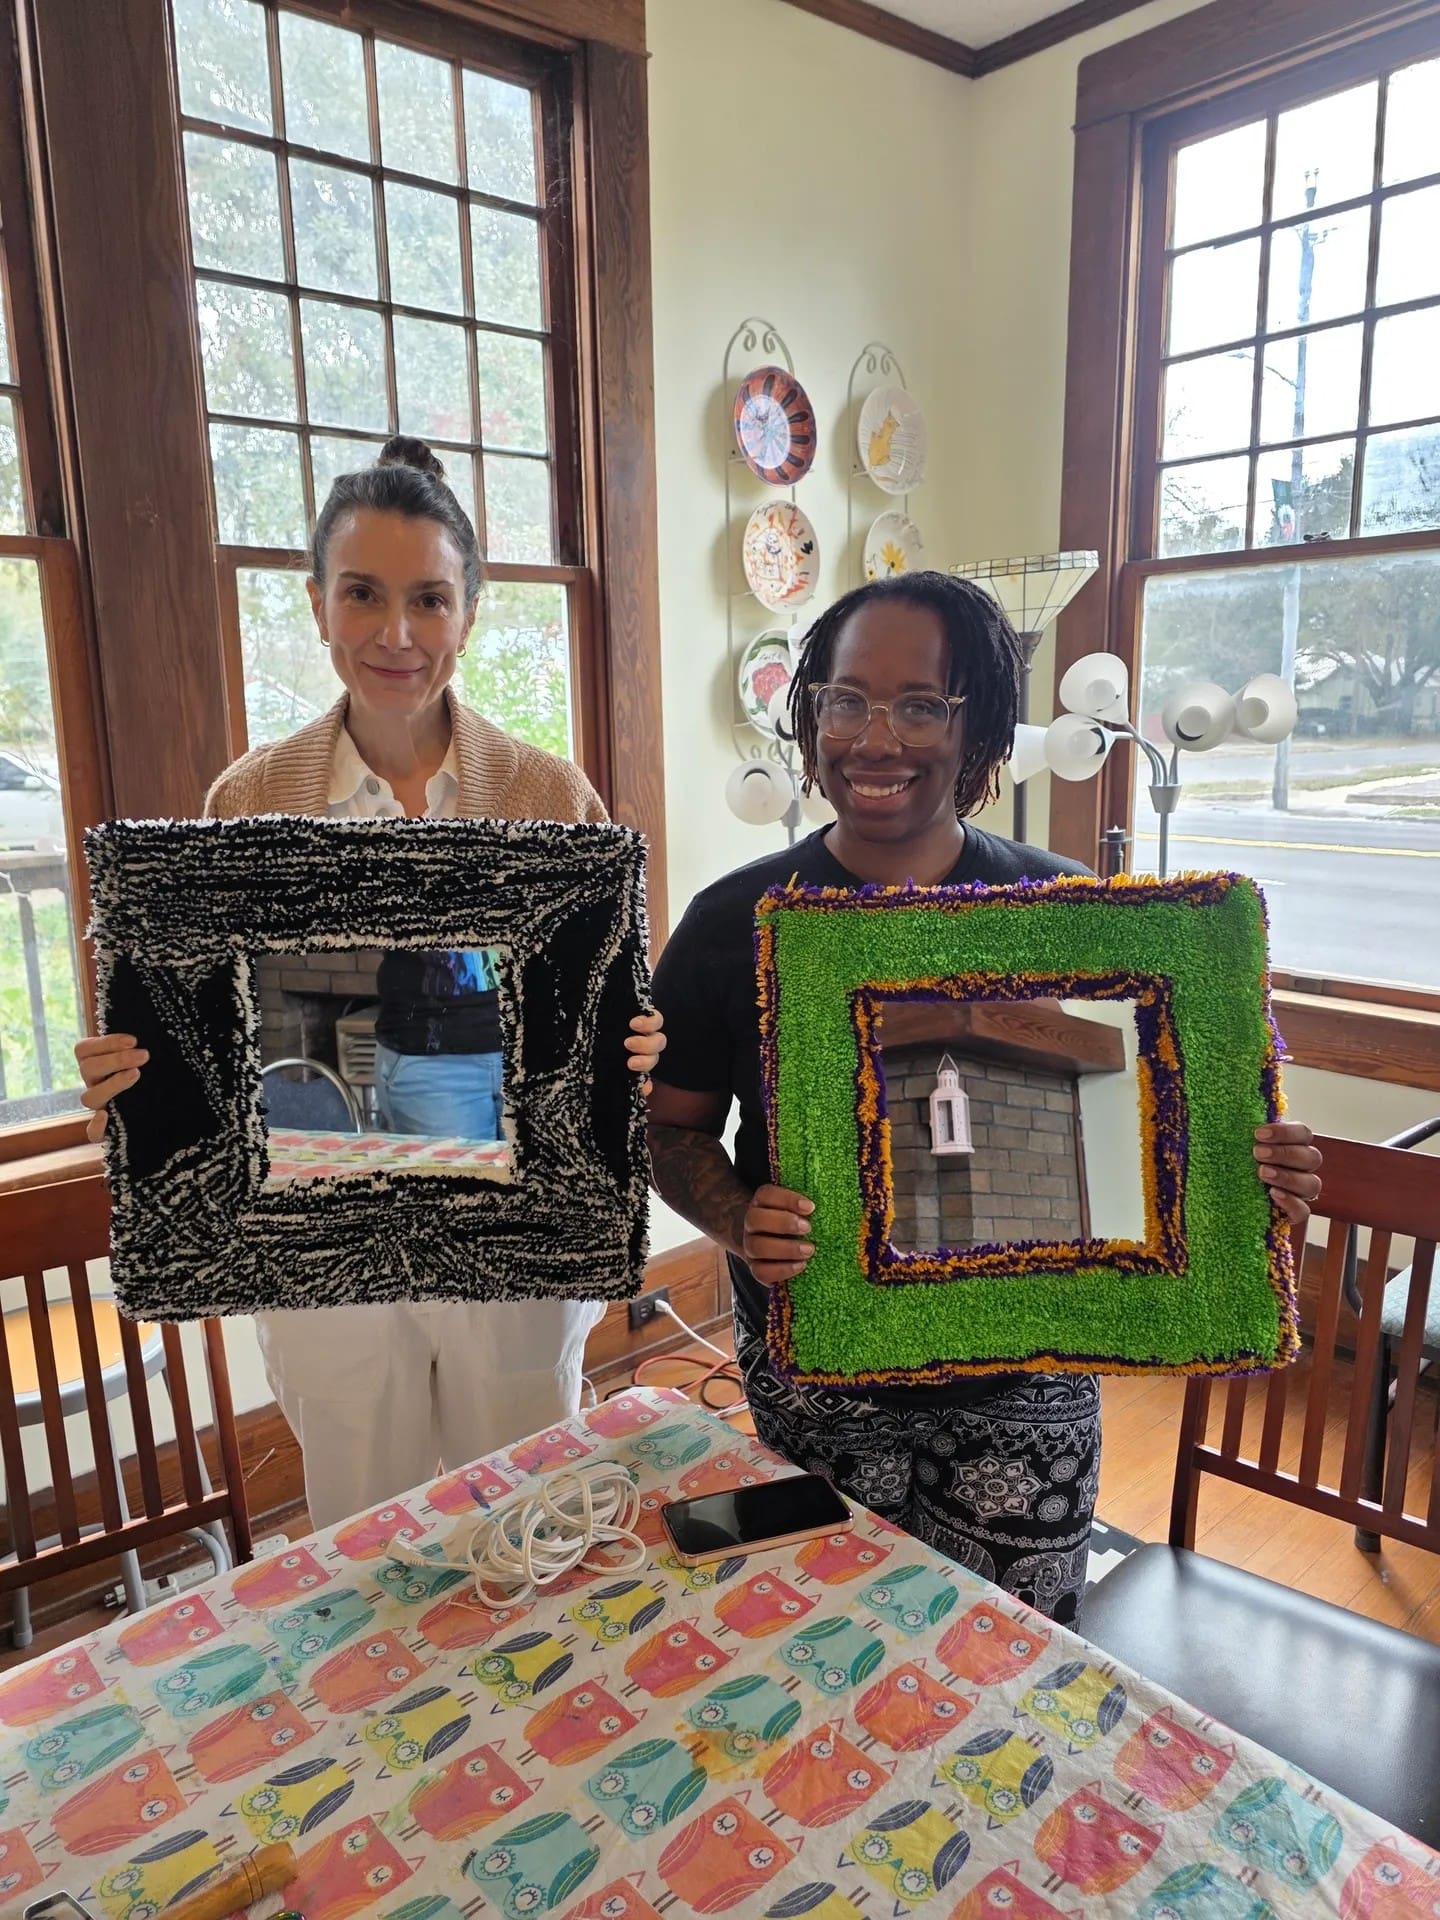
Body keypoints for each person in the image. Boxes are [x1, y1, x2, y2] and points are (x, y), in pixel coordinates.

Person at [647, 571, 1321, 1625]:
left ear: (982, 735)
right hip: (820, 1377)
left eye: (922, 704)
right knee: (821, 1647)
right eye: (847, 699)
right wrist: (735, 1216)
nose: (877, 738)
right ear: (811, 712)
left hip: (1031, 1390)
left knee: (1012, 1669)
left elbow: (1166, 1135)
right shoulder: (734, 921)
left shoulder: (1070, 922)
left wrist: (1254, 1177)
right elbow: (673, 1130)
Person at [76, 435, 665, 1529]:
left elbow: (600, 1002)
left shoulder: (547, 794)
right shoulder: (250, 800)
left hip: (512, 1232)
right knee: (368, 1523)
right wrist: (137, 1068)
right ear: (317, 604)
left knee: (529, 1504)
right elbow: (207, 1030)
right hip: (324, 1225)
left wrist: (632, 1042)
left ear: (469, 613)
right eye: (364, 594)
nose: (397, 633)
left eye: (430, 600)